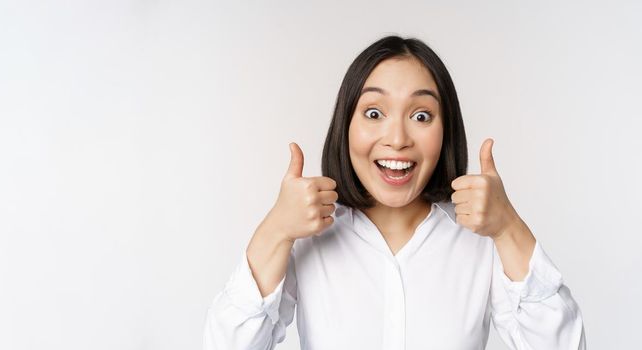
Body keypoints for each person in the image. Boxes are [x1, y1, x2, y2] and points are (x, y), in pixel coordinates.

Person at [202, 35, 586, 350]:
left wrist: (508, 228)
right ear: (346, 125)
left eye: (421, 116)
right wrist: (275, 231)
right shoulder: (307, 240)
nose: (398, 139)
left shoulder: (480, 243)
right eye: (374, 113)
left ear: (445, 130)